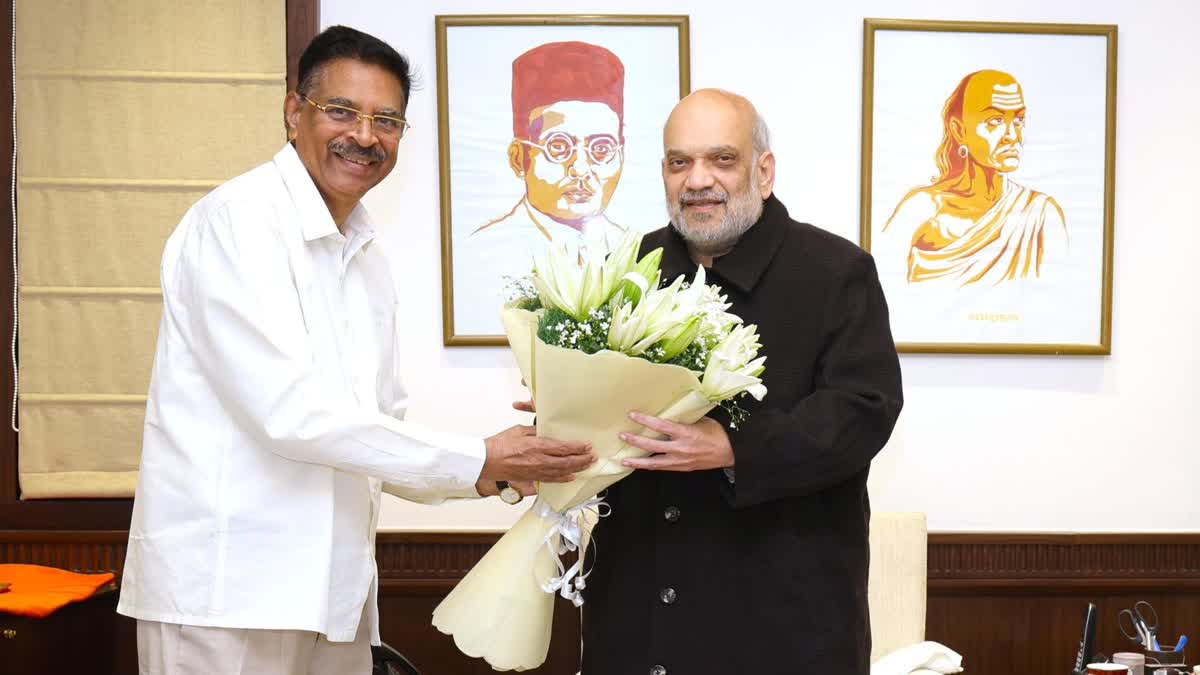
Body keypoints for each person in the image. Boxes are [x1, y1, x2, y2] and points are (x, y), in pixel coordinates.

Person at [116, 26, 593, 675]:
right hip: (224, 595)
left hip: (335, 600)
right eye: (341, 111)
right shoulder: (235, 223)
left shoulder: (366, 260)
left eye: (386, 120)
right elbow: (289, 412)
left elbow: (380, 433)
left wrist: (501, 470)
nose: (365, 136)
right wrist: (480, 456)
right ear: (294, 113)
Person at [580, 89, 904, 675]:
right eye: (680, 163)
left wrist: (733, 447)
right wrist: (562, 413)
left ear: (764, 169)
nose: (698, 179)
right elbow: (600, 416)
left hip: (783, 628)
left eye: (721, 159)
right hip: (637, 620)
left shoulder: (836, 273)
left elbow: (864, 411)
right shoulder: (625, 271)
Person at [883, 69, 1068, 286]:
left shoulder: (1041, 213)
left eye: (1018, 120)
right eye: (995, 120)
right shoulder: (921, 208)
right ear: (959, 131)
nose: (1012, 136)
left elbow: (1060, 298)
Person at [471, 40, 628, 256]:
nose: (580, 169)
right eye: (559, 147)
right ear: (519, 159)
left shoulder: (635, 250)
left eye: (601, 149)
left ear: (621, 154)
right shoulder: (485, 250)